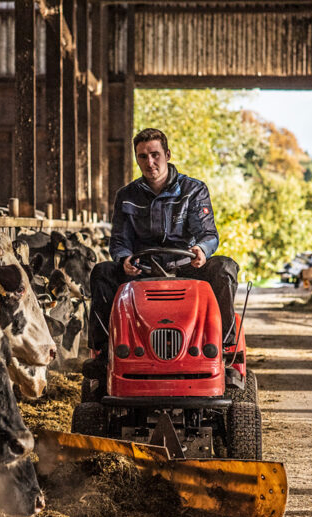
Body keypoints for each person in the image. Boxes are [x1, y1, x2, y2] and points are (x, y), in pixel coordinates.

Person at [84, 128, 239, 379]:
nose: (150, 162)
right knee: (102, 272)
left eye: (155, 154)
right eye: (142, 157)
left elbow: (208, 234)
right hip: (143, 268)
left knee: (224, 268)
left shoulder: (193, 190)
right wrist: (124, 259)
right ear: (137, 159)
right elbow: (120, 240)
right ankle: (103, 352)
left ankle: (223, 348)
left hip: (186, 266)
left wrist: (201, 249)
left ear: (167, 154)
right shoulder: (126, 196)